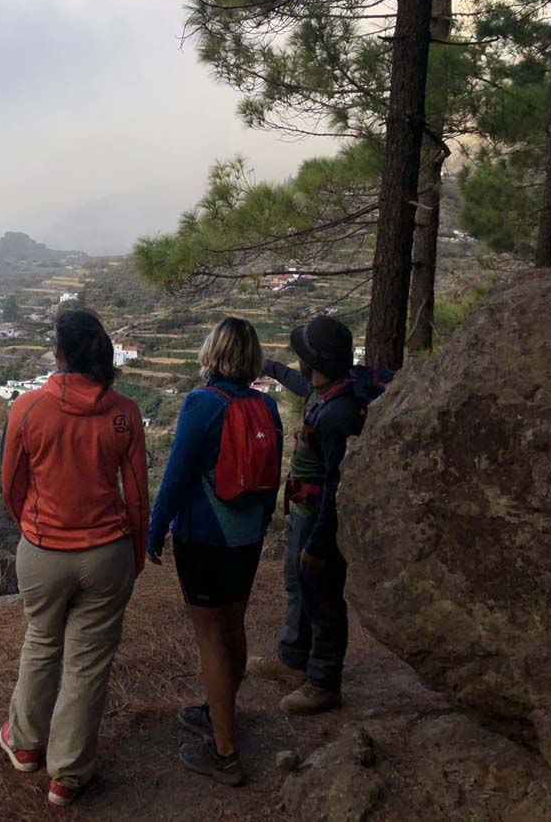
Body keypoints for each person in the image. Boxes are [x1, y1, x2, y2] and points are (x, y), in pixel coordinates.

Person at [0, 309, 150, 808]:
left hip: (43, 552)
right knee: (87, 662)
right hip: (106, 554)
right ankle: (67, 775)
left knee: (41, 641)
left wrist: (33, 526)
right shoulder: (124, 413)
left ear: (60, 355)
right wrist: (136, 549)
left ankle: (24, 746)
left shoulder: (27, 409)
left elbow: (12, 485)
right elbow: (137, 497)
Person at [147, 318, 282, 787]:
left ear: (213, 352)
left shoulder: (202, 403)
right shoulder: (267, 405)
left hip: (204, 537)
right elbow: (271, 482)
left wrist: (156, 528)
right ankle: (220, 710)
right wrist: (260, 530)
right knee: (233, 625)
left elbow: (177, 475)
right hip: (246, 538)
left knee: (210, 636)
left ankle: (225, 752)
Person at [247, 315, 369, 715]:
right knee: (299, 587)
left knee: (323, 597)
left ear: (313, 362)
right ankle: (292, 661)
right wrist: (270, 368)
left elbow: (337, 484)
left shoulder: (337, 414)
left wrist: (319, 542)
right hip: (305, 512)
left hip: (320, 518)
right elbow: (300, 384)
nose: (297, 362)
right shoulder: (327, 391)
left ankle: (323, 682)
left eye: (300, 355)